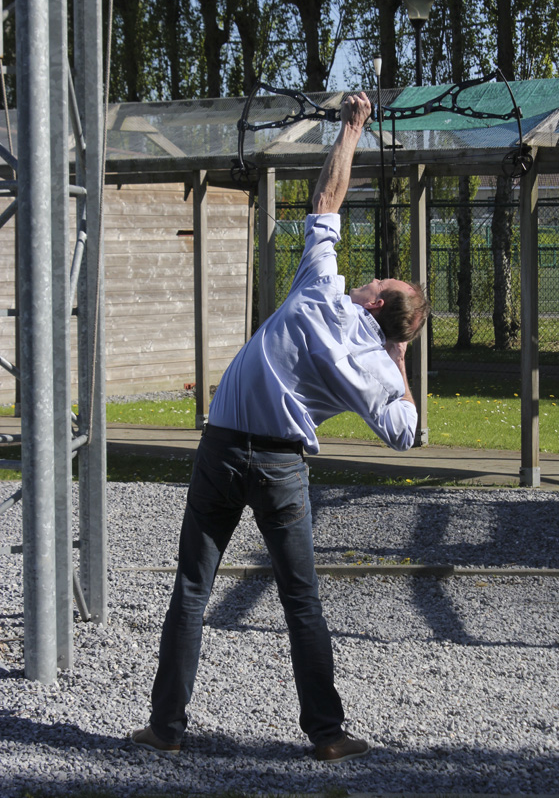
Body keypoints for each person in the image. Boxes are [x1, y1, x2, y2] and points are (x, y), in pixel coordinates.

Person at [132, 91, 430, 762]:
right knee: (301, 601)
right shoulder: (376, 365)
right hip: (281, 467)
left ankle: (166, 729)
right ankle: (327, 735)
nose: (368, 279)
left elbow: (327, 198)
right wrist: (398, 357)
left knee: (191, 590)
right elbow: (406, 432)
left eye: (378, 281)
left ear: (375, 302)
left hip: (222, 448)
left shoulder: (321, 288)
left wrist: (351, 128)